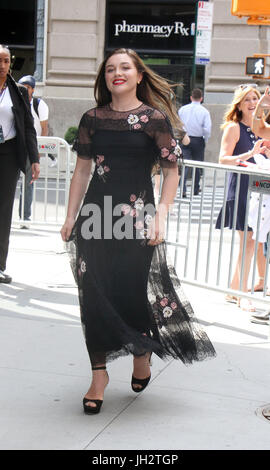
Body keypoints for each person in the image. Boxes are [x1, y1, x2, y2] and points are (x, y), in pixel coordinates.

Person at [61, 48, 216, 415]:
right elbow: (82, 170)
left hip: (137, 221)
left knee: (130, 294)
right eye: (111, 68)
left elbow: (171, 171)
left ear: (139, 75)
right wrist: (70, 217)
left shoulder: (153, 119)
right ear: (105, 78)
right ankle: (98, 376)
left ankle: (141, 348)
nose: (118, 73)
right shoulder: (92, 119)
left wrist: (161, 215)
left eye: (125, 67)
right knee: (93, 297)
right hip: (94, 220)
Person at [215, 84, 268, 311]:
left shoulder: (263, 129)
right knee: (247, 241)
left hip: (260, 191)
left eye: (255, 98)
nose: (252, 102)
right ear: (239, 103)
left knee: (254, 241)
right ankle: (241, 294)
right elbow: (223, 159)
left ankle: (234, 289)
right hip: (241, 189)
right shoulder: (233, 127)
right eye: (247, 99)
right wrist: (250, 154)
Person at [0, 45, 39, 283]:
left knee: (3, 211)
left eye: (5, 61)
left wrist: (34, 159)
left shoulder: (19, 91)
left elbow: (28, 128)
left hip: (7, 154)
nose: (2, 65)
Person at [17, 75, 56, 228]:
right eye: (21, 86)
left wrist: (38, 149)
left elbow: (44, 127)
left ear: (33, 89)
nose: (24, 90)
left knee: (28, 183)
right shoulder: (16, 101)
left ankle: (25, 217)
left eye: (27, 87)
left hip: (32, 146)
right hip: (15, 146)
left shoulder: (39, 105)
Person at [178, 88, 211, 197]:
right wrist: (205, 139)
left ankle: (183, 188)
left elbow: (178, 124)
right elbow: (207, 129)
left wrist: (181, 136)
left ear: (191, 97)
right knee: (197, 164)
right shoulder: (204, 111)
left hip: (185, 138)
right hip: (198, 139)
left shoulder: (182, 109)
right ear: (201, 98)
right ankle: (196, 188)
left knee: (185, 164)